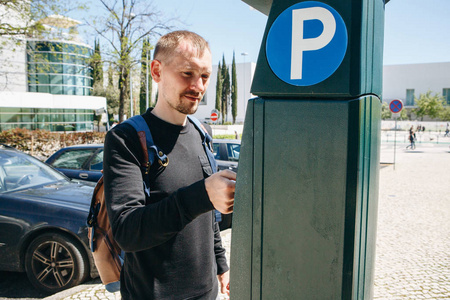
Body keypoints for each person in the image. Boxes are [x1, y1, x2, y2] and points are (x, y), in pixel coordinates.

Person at [103, 30, 235, 300]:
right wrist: (203, 194)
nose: (198, 86)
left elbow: (208, 217)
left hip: (207, 293)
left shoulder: (202, 133)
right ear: (156, 71)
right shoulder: (126, 138)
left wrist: (221, 265)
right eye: (187, 73)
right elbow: (127, 231)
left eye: (205, 76)